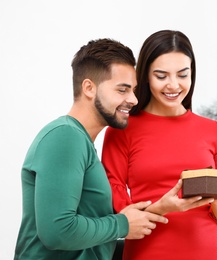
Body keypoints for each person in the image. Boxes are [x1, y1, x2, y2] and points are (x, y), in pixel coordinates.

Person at [13, 38, 170, 260]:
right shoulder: (65, 137)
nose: (133, 99)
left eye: (133, 90)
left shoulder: (80, 141)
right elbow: (58, 232)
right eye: (122, 90)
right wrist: (122, 224)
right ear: (89, 88)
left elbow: (85, 242)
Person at [101, 30, 217, 260]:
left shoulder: (213, 131)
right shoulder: (121, 130)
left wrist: (216, 198)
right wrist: (163, 207)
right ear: (146, 77)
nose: (173, 85)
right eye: (161, 76)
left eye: (182, 75)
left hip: (205, 252)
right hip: (147, 253)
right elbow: (118, 211)